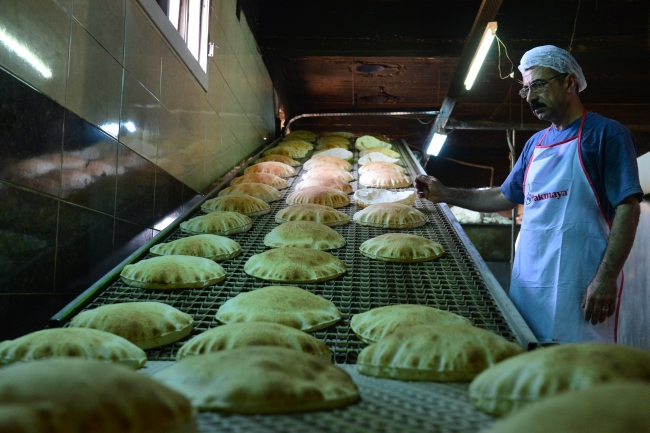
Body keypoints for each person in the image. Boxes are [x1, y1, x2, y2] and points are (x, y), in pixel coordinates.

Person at [415, 45, 642, 344]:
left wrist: (606, 278)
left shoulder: (605, 135)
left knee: (575, 373)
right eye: (526, 90)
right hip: (530, 286)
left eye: (538, 85)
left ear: (569, 83)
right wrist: (445, 193)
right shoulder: (535, 143)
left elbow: (628, 207)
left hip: (581, 289)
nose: (531, 97)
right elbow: (504, 197)